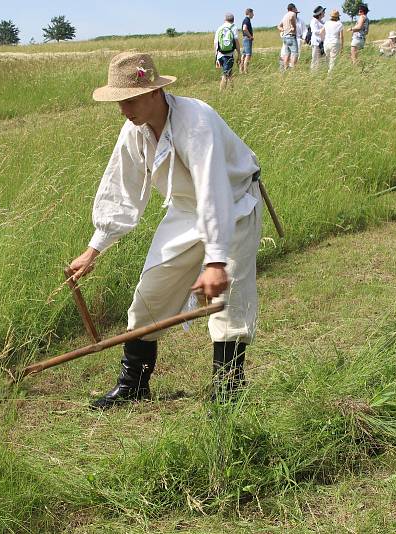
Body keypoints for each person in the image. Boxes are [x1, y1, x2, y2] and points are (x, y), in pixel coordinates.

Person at [72, 52, 263, 410]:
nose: (123, 110)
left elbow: (213, 190)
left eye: (128, 100)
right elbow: (122, 189)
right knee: (150, 294)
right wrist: (94, 248)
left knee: (227, 303)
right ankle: (134, 385)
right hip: (185, 211)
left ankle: (228, 394)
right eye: (118, 102)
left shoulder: (196, 121)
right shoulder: (135, 130)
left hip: (234, 206)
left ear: (154, 92)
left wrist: (216, 262)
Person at [214, 12, 241, 89]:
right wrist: (239, 54)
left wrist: (216, 57)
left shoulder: (219, 28)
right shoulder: (234, 27)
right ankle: (221, 93)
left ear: (224, 19)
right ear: (233, 20)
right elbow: (236, 42)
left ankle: (232, 89)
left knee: (229, 73)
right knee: (225, 75)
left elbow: (215, 44)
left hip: (220, 54)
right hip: (228, 55)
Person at [278, 3, 300, 70]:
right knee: (295, 53)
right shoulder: (292, 14)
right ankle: (292, 69)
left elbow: (279, 26)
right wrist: (293, 26)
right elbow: (291, 18)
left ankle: (285, 69)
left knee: (287, 54)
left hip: (285, 37)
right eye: (295, 8)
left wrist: (283, 30)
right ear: (292, 8)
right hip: (291, 36)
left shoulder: (285, 15)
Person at [321, 9, 344, 73]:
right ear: (338, 17)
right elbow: (341, 36)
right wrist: (342, 47)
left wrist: (323, 40)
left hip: (326, 43)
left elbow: (321, 32)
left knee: (327, 59)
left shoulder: (326, 23)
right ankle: (330, 75)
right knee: (333, 60)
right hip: (335, 43)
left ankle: (327, 72)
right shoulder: (340, 24)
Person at [309, 6, 326, 71]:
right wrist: (323, 29)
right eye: (323, 11)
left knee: (322, 59)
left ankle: (320, 72)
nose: (324, 13)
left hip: (322, 42)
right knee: (315, 59)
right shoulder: (314, 21)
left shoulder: (321, 21)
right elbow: (315, 31)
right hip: (316, 43)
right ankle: (313, 73)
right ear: (320, 13)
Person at [241, 8, 255, 74]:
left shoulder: (246, 20)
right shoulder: (246, 20)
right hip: (247, 39)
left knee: (243, 54)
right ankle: (246, 71)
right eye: (252, 13)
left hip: (245, 38)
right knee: (248, 55)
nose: (253, 15)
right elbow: (244, 29)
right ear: (249, 13)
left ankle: (241, 70)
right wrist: (250, 36)